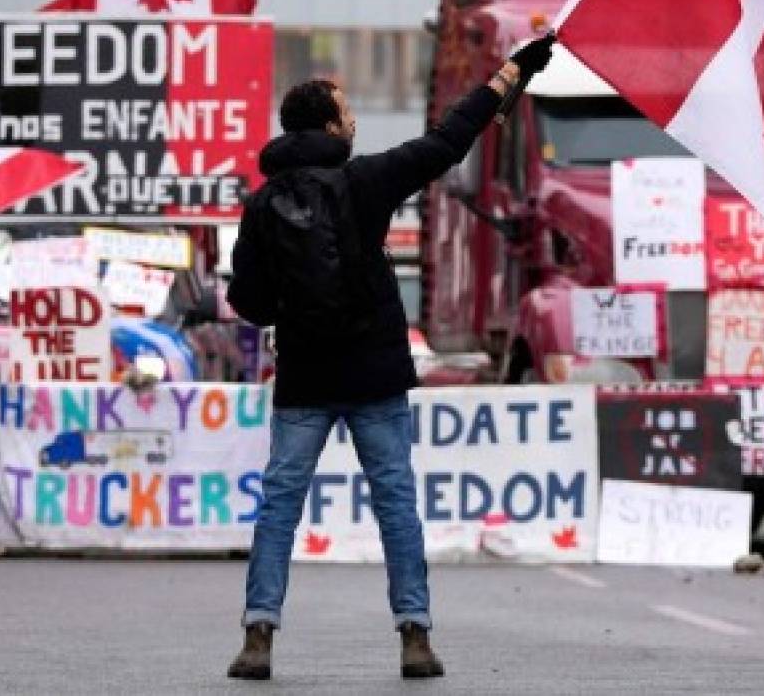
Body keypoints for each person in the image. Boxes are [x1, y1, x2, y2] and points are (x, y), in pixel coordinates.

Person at [225, 33, 555, 680]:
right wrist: (512, 73)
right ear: (327, 126)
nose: (354, 123)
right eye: (346, 114)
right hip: (374, 373)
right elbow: (447, 141)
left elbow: (253, 304)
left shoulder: (261, 205)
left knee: (280, 503)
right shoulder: (365, 182)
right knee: (395, 502)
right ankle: (415, 635)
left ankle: (259, 633)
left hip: (304, 378)